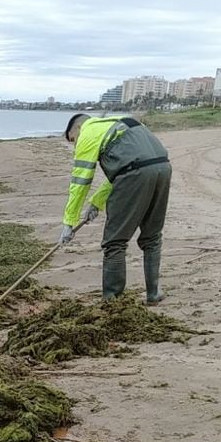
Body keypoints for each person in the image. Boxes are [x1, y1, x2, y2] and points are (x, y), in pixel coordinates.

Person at [59, 112, 172, 304]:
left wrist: (69, 222)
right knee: (152, 236)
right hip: (162, 168)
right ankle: (153, 294)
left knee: (114, 242)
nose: (76, 145)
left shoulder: (87, 132)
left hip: (135, 172)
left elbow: (80, 182)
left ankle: (113, 301)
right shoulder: (119, 123)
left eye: (73, 140)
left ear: (78, 128)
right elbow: (119, 173)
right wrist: (96, 203)